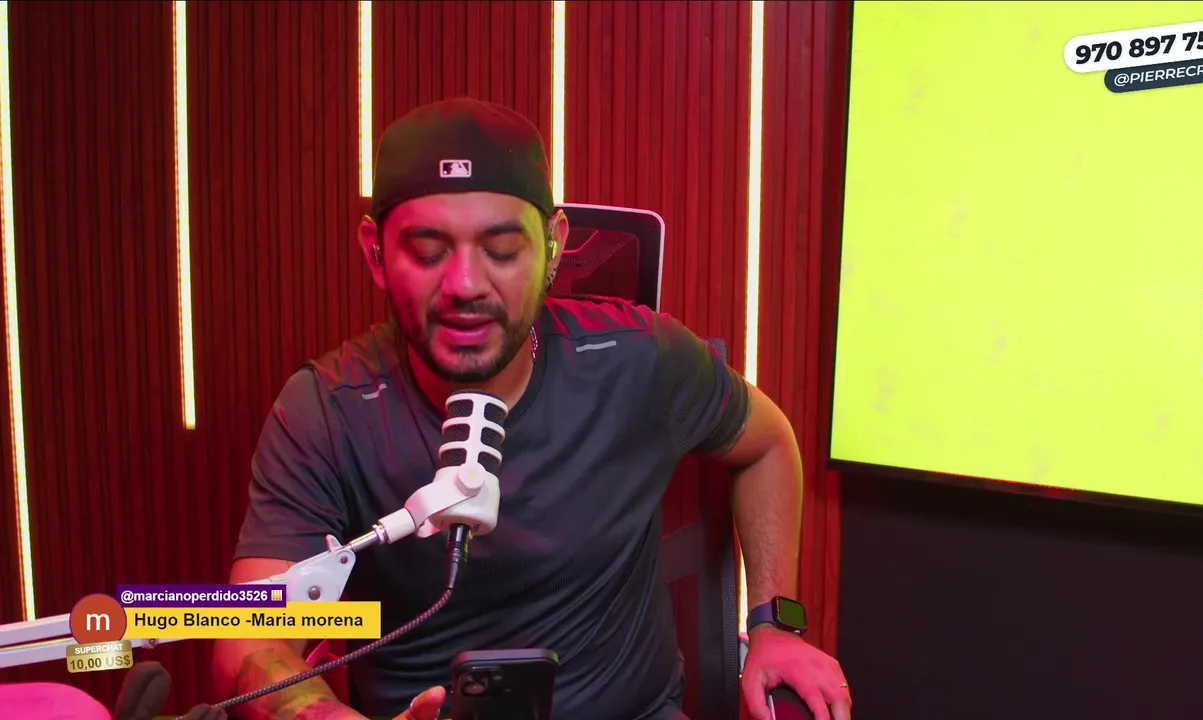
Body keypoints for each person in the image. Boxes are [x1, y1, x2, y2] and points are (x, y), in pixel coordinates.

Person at [210, 97, 851, 720]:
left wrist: (775, 624)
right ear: (376, 253)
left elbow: (769, 444)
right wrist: (319, 714)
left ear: (553, 246)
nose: (465, 285)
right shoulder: (326, 410)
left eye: (502, 250)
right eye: (428, 251)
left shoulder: (639, 358)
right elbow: (247, 635)